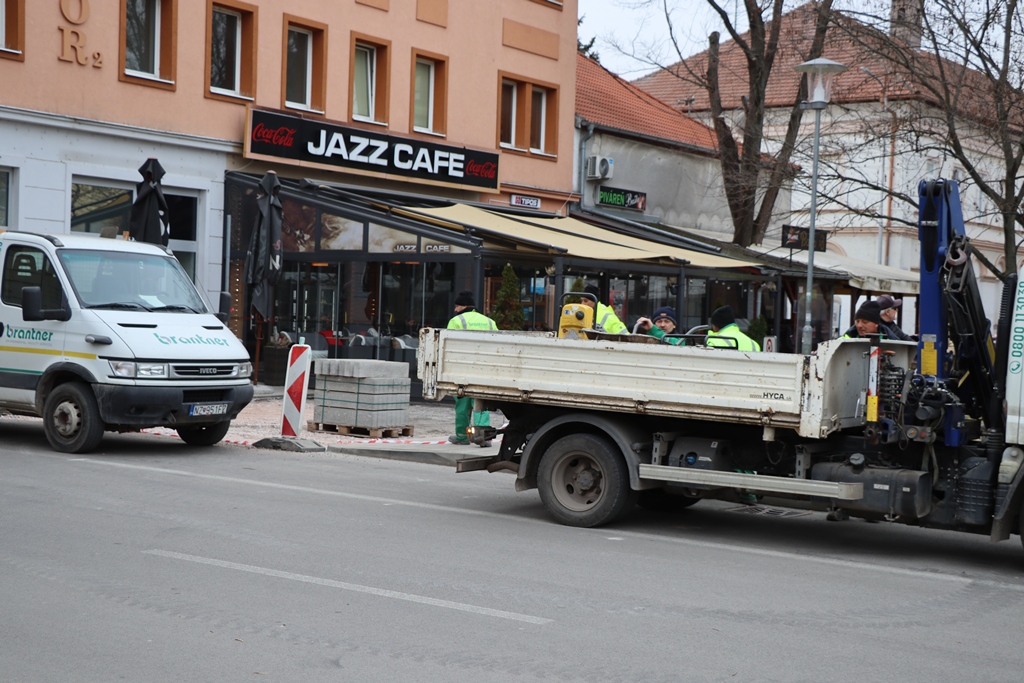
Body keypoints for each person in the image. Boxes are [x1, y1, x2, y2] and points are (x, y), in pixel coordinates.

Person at [447, 290, 496, 446]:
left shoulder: (456, 321)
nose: (455, 309)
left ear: (464, 306)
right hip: (484, 369)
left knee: (463, 404)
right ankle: (483, 438)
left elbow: (449, 346)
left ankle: (462, 436)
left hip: (462, 370)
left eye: (457, 306)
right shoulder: (489, 322)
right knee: (481, 404)